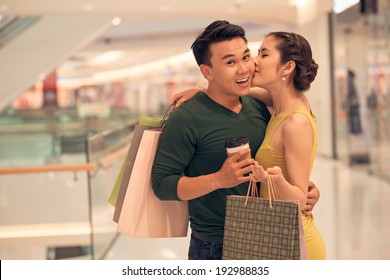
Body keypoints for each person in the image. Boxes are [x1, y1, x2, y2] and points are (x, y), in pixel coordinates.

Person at [152, 20, 320, 260]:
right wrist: (218, 180)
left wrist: (304, 190)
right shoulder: (186, 117)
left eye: (246, 57)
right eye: (230, 62)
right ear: (207, 71)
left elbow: (280, 155)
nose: (244, 68)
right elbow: (162, 185)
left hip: (269, 236)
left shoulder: (259, 106)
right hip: (214, 246)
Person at [246, 32, 326, 259]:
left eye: (264, 54)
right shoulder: (280, 102)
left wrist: (273, 179)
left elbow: (300, 199)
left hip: (297, 243)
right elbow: (236, 90)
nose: (255, 61)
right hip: (279, 236)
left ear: (287, 67)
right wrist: (201, 91)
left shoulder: (296, 123)